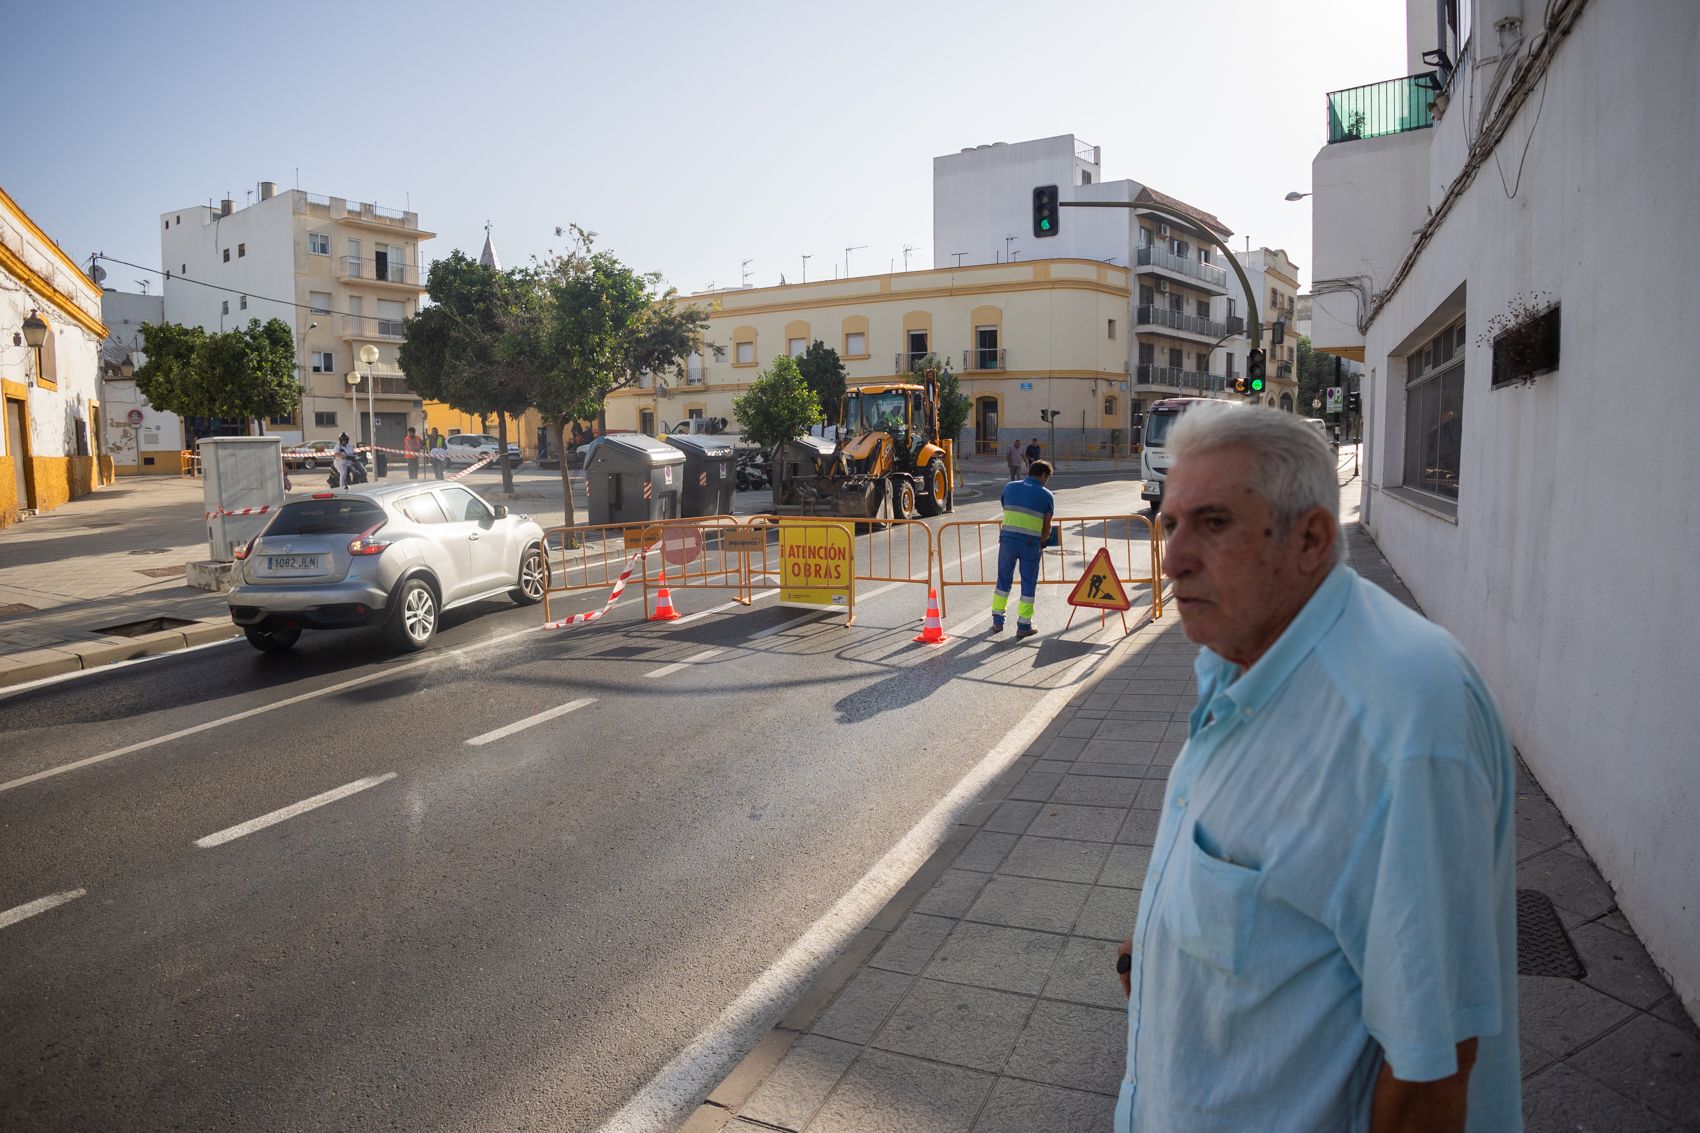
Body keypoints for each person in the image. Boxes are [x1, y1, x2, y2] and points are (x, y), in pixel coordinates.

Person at [1113, 404, 1519, 1132]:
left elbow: (1430, 1071)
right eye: (1170, 523)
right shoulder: (1240, 658)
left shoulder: (1401, 723)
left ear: (1309, 539)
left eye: (1211, 523)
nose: (1171, 557)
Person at [990, 459, 1053, 639]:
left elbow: (1006, 507)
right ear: (1042, 475)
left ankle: (997, 620)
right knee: (1028, 583)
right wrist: (1043, 541)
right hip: (1030, 544)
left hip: (1008, 541)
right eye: (1047, 477)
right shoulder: (1047, 495)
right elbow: (1047, 526)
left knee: (1003, 581)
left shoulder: (1010, 487)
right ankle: (1024, 625)